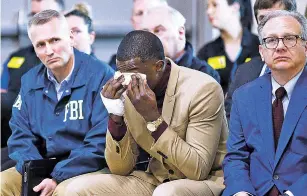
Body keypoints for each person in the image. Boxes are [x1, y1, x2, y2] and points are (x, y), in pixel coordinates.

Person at [62, 30, 228, 196]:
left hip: (205, 181)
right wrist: (115, 116)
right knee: (72, 190)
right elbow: (120, 168)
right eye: (122, 73)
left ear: (159, 66)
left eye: (134, 73)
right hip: (156, 178)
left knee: (166, 193)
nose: (128, 81)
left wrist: (153, 118)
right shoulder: (128, 92)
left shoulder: (203, 89)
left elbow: (197, 170)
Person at [0, 9, 114, 196]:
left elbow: (101, 141)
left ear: (70, 37)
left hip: (89, 167)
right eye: (41, 45)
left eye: (55, 40)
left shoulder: (101, 75)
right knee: (3, 183)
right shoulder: (30, 81)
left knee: (64, 191)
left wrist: (57, 176)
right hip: (45, 164)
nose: (49, 51)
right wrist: (35, 172)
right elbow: (20, 135)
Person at [223, 10, 307, 196]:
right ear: (262, 52)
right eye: (271, 40)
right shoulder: (243, 96)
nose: (280, 47)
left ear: (306, 47)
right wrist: (241, 192)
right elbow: (236, 157)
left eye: (289, 38)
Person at [1, 0, 65, 172]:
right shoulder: (17, 57)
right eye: (34, 16)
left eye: (46, 15)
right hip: (11, 126)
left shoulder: (64, 57)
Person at [225, 0, 297, 120]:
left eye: (276, 18)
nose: (269, 26)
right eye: (263, 19)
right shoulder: (244, 72)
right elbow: (229, 119)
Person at [141, 5, 220, 82]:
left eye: (158, 30)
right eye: (146, 32)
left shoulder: (205, 75)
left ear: (180, 33)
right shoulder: (139, 72)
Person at [197, 0, 259, 93]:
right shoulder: (206, 52)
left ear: (235, 7)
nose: (208, 11)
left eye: (214, 5)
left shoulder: (259, 46)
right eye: (207, 6)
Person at [108, 0, 168, 69]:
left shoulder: (179, 63)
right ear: (132, 22)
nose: (145, 18)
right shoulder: (117, 63)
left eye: (151, 11)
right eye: (139, 13)